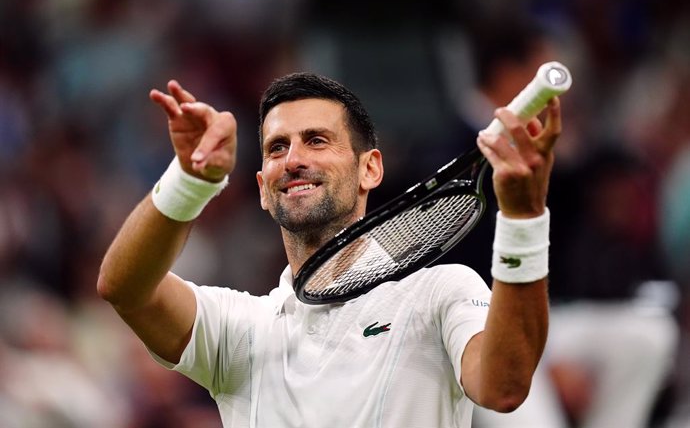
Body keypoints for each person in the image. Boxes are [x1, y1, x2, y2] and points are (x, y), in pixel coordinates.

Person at [97, 72, 562, 427]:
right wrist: (191, 182)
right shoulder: (241, 328)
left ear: (370, 169)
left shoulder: (441, 291)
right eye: (277, 148)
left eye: (317, 141)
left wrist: (523, 220)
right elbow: (125, 287)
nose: (294, 159)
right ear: (262, 187)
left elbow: (503, 386)